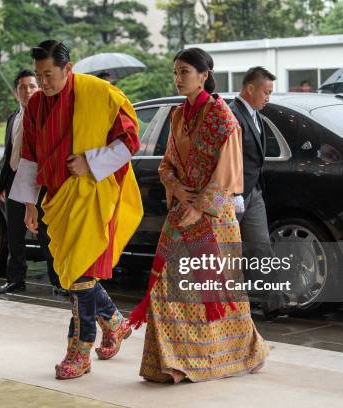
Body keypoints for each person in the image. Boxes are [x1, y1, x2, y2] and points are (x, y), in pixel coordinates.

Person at [129, 49, 268, 383]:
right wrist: (177, 190)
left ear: (204, 75)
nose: (178, 78)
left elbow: (229, 175)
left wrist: (199, 206)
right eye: (175, 72)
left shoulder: (223, 118)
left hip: (213, 221)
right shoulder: (178, 115)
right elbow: (166, 165)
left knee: (216, 294)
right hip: (180, 214)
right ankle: (171, 364)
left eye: (185, 71)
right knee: (166, 290)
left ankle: (236, 354)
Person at [9, 40, 143, 380]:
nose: (44, 83)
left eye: (49, 74)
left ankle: (80, 351)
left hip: (90, 193)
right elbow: (29, 155)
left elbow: (130, 142)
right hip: (57, 199)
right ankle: (115, 323)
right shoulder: (37, 104)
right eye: (39, 75)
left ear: (68, 69)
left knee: (80, 277)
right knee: (73, 274)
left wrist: (91, 161)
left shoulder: (98, 93)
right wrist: (29, 204)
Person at [0, 69, 65, 295]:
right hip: (14, 180)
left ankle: (58, 282)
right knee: (14, 234)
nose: (27, 91)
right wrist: (2, 182)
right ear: (17, 92)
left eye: (32, 86)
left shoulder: (46, 114)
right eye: (22, 87)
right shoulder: (14, 117)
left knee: (45, 233)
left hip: (39, 180)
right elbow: (9, 152)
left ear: (39, 88)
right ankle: (15, 280)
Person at [229, 67, 290, 319]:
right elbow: (228, 159)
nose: (268, 98)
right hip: (232, 194)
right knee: (228, 251)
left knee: (261, 246)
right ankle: (228, 306)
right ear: (250, 88)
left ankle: (274, 301)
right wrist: (233, 193)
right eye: (266, 92)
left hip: (253, 192)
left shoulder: (256, 116)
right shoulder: (232, 114)